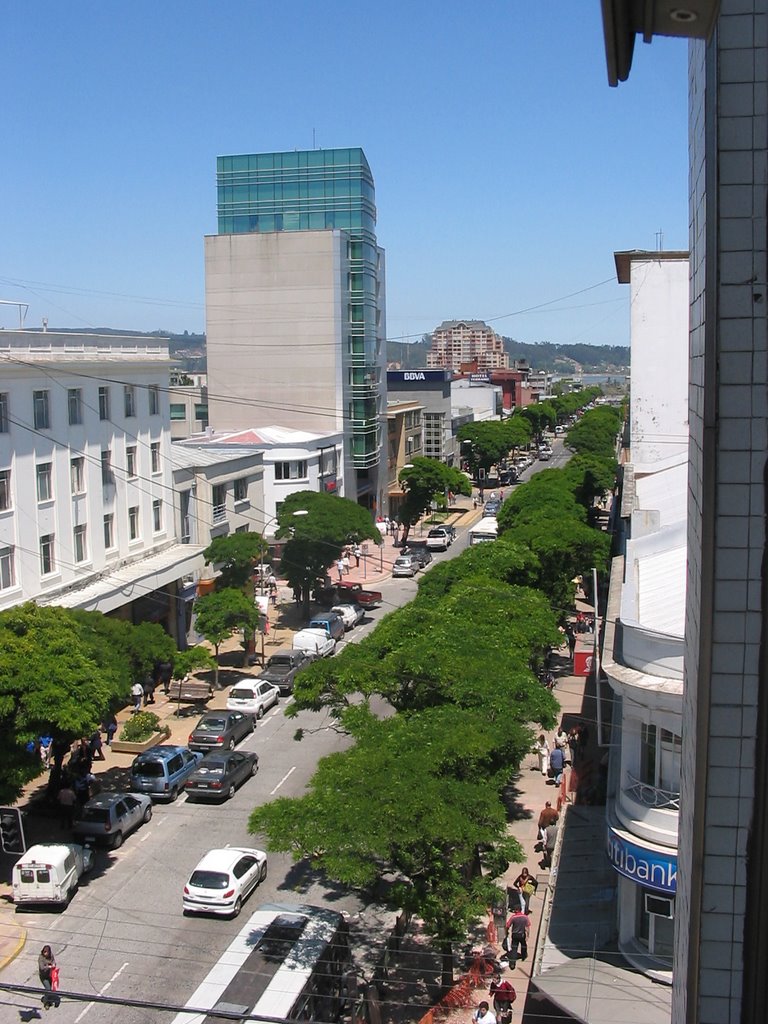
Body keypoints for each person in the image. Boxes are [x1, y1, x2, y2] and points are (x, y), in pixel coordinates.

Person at [39, 945, 60, 1010]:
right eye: (44, 952)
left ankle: (49, 999)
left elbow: (53, 961)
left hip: (50, 975)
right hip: (44, 976)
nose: (45, 953)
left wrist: (53, 964)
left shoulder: (51, 956)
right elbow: (42, 967)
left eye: (47, 952)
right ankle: (46, 1003)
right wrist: (49, 967)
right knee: (48, 989)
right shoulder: (41, 958)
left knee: (50, 989)